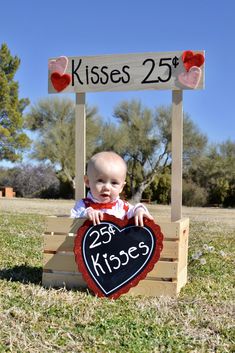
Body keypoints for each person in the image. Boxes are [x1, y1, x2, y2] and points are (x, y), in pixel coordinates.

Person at [71, 151, 154, 226]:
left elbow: (135, 209)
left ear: (121, 187)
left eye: (114, 183)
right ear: (88, 181)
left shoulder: (122, 207)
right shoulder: (83, 205)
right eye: (100, 181)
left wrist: (139, 211)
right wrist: (87, 214)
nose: (106, 187)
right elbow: (72, 219)